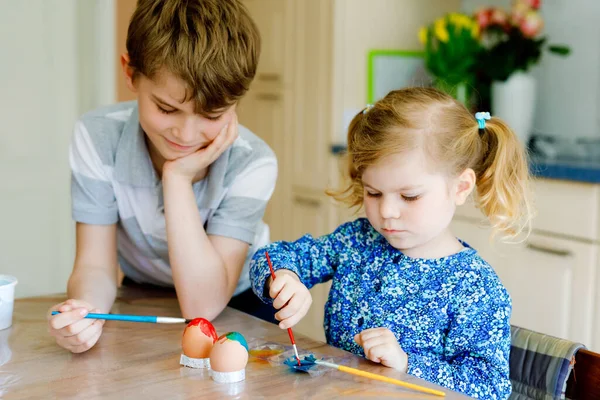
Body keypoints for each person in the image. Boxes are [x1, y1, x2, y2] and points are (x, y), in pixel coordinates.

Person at [250, 87, 533, 399]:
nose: (386, 211)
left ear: (461, 187)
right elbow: (271, 257)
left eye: (409, 196)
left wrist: (407, 364)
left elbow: (490, 388)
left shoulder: (475, 286)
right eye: (373, 193)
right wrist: (284, 277)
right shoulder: (356, 241)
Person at [48, 0, 277, 354]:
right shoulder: (96, 137)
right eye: (167, 109)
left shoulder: (253, 162)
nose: (186, 135)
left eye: (211, 114)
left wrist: (177, 179)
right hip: (143, 293)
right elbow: (94, 264)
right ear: (130, 73)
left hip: (235, 303)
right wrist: (86, 313)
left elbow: (203, 306)